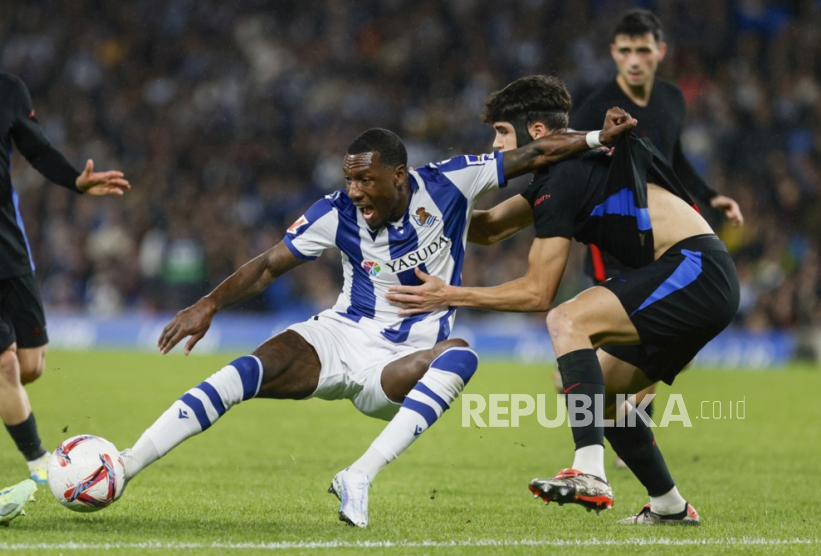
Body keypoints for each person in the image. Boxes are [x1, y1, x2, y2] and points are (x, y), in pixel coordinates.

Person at [119, 120, 635, 528]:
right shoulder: (335, 212)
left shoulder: (449, 182)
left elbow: (533, 154)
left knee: (462, 354)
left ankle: (358, 475)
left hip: (398, 365)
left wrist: (595, 138)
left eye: (365, 179)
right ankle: (126, 464)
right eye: (349, 179)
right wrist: (208, 303)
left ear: (399, 177)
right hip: (339, 335)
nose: (355, 190)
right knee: (246, 370)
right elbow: (270, 264)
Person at [387, 74, 740, 525]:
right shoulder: (560, 173)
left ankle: (590, 471)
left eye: (500, 132)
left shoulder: (565, 175)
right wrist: (418, 207)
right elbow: (491, 226)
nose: (494, 146)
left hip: (695, 270)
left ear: (535, 132)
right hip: (696, 277)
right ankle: (670, 505)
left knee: (566, 320)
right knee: (605, 400)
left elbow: (539, 292)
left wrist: (451, 295)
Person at [565, 8, 745, 455]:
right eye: (625, 50)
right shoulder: (596, 106)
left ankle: (611, 411)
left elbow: (675, 158)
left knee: (663, 341)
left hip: (664, 231)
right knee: (627, 337)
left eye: (643, 50)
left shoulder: (671, 98)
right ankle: (606, 415)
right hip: (619, 237)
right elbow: (575, 167)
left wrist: (709, 194)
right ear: (613, 53)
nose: (634, 59)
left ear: (660, 52)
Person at [0, 68, 130, 483]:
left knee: (31, 364)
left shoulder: (6, 90)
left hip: (6, 247)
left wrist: (75, 180)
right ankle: (42, 466)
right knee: (4, 363)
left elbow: (37, 149)